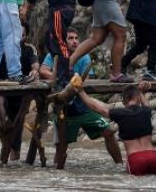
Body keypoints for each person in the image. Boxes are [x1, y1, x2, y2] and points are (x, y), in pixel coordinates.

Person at [39, 28, 122, 166]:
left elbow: (86, 78)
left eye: (76, 38)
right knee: (61, 146)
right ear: (63, 42)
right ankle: (56, 175)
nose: (75, 41)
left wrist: (70, 78)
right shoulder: (55, 54)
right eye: (70, 38)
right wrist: (59, 75)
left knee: (108, 132)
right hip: (63, 110)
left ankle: (120, 165)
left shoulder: (84, 56)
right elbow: (43, 70)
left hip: (83, 107)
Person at [75, 82, 156, 176]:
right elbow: (146, 103)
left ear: (123, 101)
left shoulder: (120, 113)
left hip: (136, 159)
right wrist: (141, 91)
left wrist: (81, 91)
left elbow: (97, 108)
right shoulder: (146, 110)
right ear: (138, 98)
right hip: (153, 157)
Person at [0, 23, 40, 160]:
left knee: (16, 136)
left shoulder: (29, 49)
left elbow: (35, 64)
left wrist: (34, 70)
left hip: (20, 94)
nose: (19, 38)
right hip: (1, 89)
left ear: (25, 37)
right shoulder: (1, 47)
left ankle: (14, 166)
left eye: (22, 35)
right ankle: (5, 128)